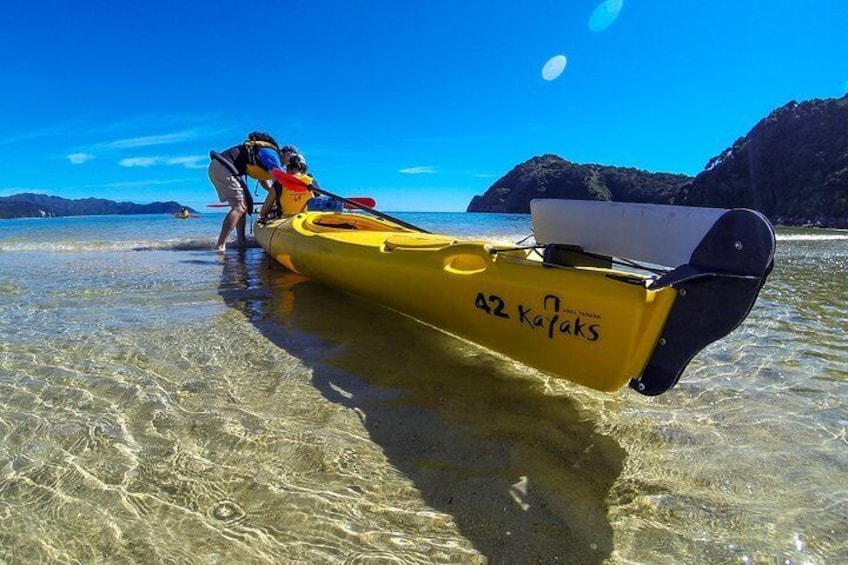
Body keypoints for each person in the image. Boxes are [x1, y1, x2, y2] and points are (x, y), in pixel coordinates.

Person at [208, 132, 284, 251]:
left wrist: (271, 192)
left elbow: (265, 182)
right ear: (285, 154)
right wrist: (278, 198)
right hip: (223, 167)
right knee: (239, 207)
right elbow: (279, 182)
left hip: (219, 167)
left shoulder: (263, 152)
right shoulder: (273, 155)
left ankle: (241, 241)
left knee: (241, 208)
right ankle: (220, 245)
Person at [257, 151, 316, 222]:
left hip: (285, 222)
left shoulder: (279, 183)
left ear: (288, 167)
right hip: (306, 222)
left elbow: (264, 212)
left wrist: (264, 217)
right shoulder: (311, 182)